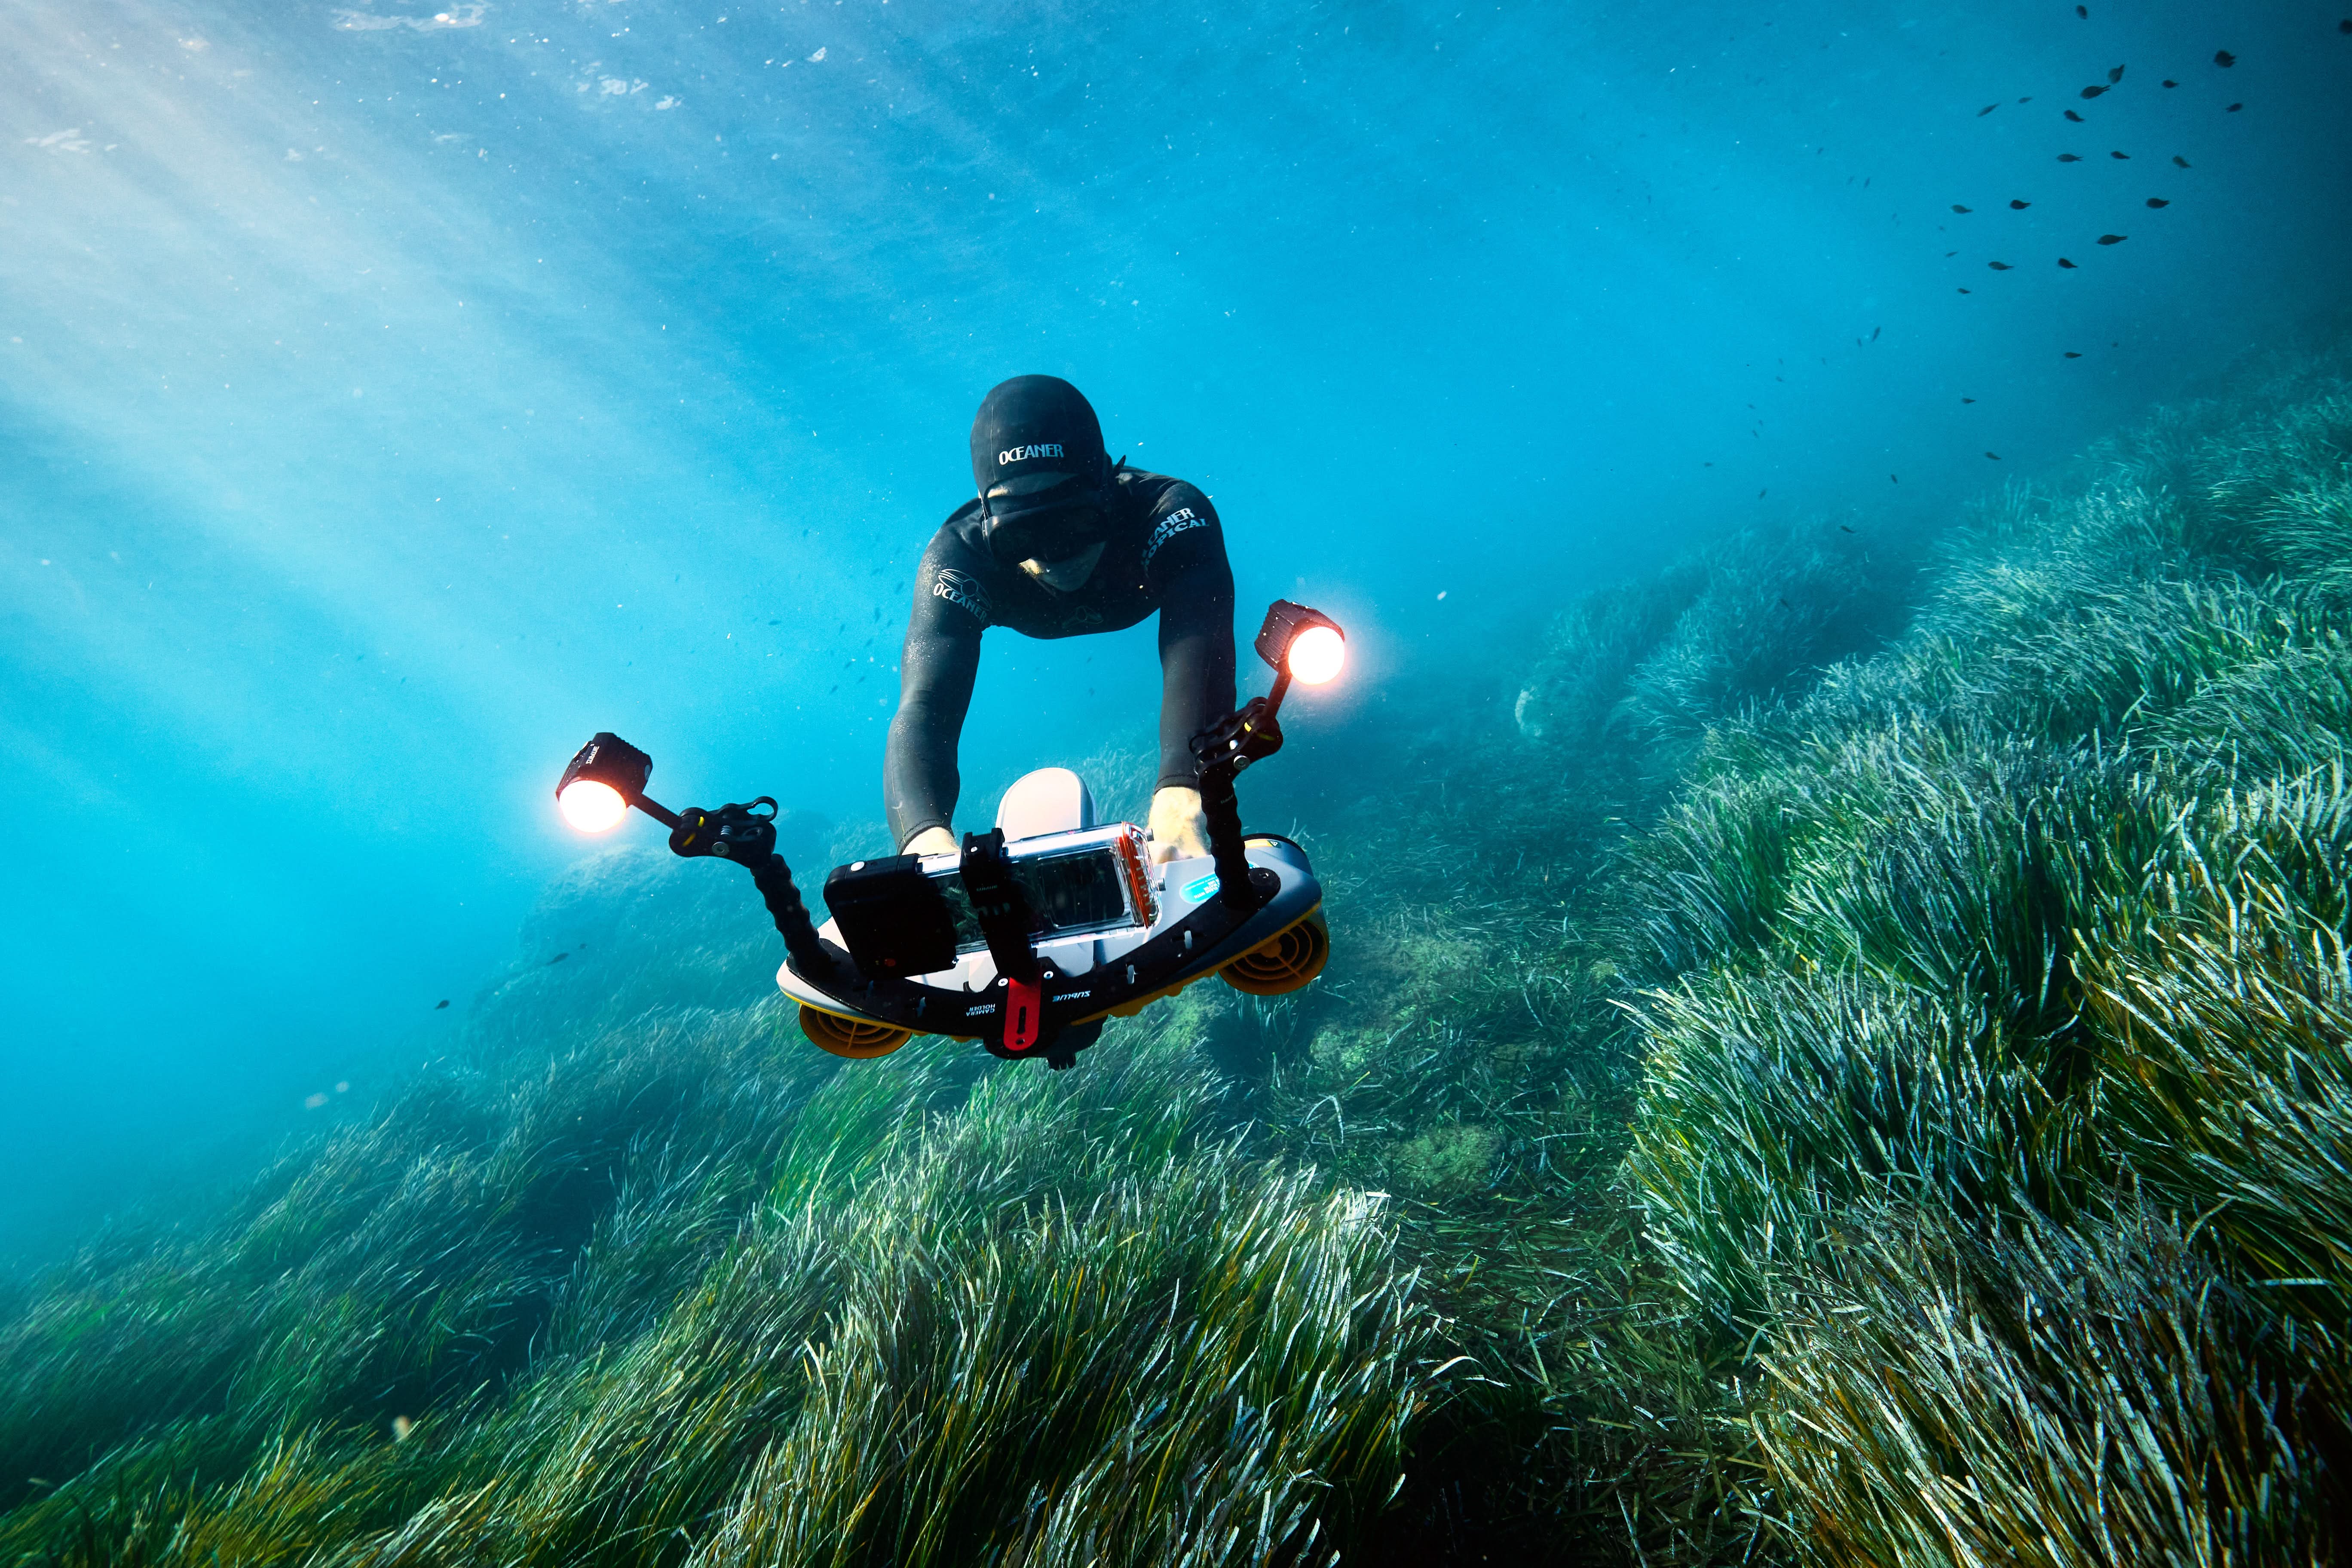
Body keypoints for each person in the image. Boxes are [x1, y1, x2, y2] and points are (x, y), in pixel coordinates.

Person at [887, 375, 1234, 862]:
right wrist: (925, 846)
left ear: (1109, 490)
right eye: (1023, 534)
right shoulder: (961, 559)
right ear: (989, 524)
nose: (1054, 557)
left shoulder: (1167, 514)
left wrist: (1181, 791)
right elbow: (924, 710)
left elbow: (1199, 640)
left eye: (1072, 523)